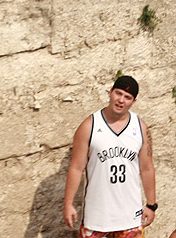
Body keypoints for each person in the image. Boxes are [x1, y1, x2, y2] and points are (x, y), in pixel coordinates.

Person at [63, 76, 157, 238]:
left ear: (133, 101)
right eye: (118, 94)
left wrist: (151, 204)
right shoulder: (89, 126)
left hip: (130, 218)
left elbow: (147, 167)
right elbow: (76, 168)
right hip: (97, 217)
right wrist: (68, 204)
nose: (121, 100)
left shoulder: (140, 127)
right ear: (110, 93)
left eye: (127, 97)